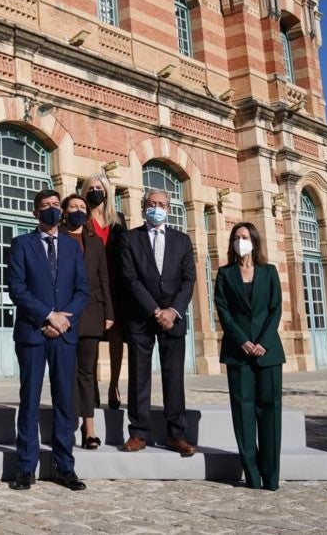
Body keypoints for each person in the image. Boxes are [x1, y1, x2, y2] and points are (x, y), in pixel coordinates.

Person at [7, 189, 89, 491]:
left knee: (65, 402)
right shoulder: (21, 245)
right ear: (35, 212)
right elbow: (17, 288)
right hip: (33, 333)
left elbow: (82, 290)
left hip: (64, 335)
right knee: (29, 400)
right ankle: (26, 467)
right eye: (46, 207)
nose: (52, 210)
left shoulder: (71, 247)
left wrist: (63, 319)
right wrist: (47, 316)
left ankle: (65, 466)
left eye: (56, 206)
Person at [116, 188, 197, 457]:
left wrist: (173, 311)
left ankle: (177, 434)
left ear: (169, 209)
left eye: (161, 204)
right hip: (142, 317)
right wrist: (155, 310)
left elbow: (189, 279)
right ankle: (138, 433)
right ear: (143, 207)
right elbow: (129, 279)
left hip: (173, 319)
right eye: (151, 203)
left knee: (174, 377)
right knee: (139, 376)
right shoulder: (129, 239)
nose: (156, 207)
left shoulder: (182, 240)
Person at [214, 222, 285, 491]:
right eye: (236, 237)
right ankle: (252, 476)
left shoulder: (269, 272)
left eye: (244, 237)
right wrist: (243, 340)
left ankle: (271, 477)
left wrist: (263, 342)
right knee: (243, 413)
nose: (240, 241)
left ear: (254, 241)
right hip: (238, 351)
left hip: (268, 352)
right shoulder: (225, 274)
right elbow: (223, 311)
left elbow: (275, 309)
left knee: (270, 412)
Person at [59, 195, 113, 449]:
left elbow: (105, 278)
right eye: (73, 207)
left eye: (82, 207)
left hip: (92, 311)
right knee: (66, 372)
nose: (79, 211)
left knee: (86, 372)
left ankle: (89, 428)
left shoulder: (95, 242)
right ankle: (67, 425)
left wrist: (109, 313)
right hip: (64, 313)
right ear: (64, 211)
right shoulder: (57, 237)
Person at [82, 173, 129, 411]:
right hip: (90, 285)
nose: (95, 192)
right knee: (90, 335)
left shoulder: (117, 219)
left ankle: (113, 385)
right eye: (91, 188)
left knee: (116, 336)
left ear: (107, 192)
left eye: (100, 188)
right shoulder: (81, 218)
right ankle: (91, 386)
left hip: (115, 284)